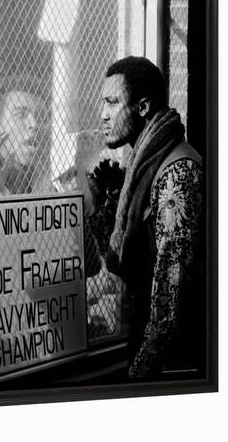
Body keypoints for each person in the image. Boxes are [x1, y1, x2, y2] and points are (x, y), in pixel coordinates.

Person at [87, 56, 204, 381]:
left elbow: (171, 304)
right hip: (147, 344)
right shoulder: (144, 168)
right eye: (103, 102)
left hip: (172, 363)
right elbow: (129, 265)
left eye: (112, 103)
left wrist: (137, 382)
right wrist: (106, 208)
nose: (103, 114)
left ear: (142, 107)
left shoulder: (177, 173)